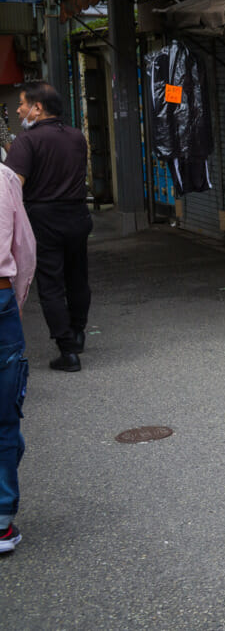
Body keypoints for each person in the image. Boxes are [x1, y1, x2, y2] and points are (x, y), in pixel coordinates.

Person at [5, 82, 92, 372]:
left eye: (21, 104)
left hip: (43, 218)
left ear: (37, 107)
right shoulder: (77, 137)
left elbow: (12, 189)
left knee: (51, 284)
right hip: (78, 214)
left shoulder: (26, 142)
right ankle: (78, 333)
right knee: (77, 276)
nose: (18, 111)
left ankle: (67, 351)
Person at [0, 161, 36, 553]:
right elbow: (24, 249)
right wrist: (16, 303)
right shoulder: (3, 177)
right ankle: (1, 523)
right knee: (4, 419)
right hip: (0, 298)